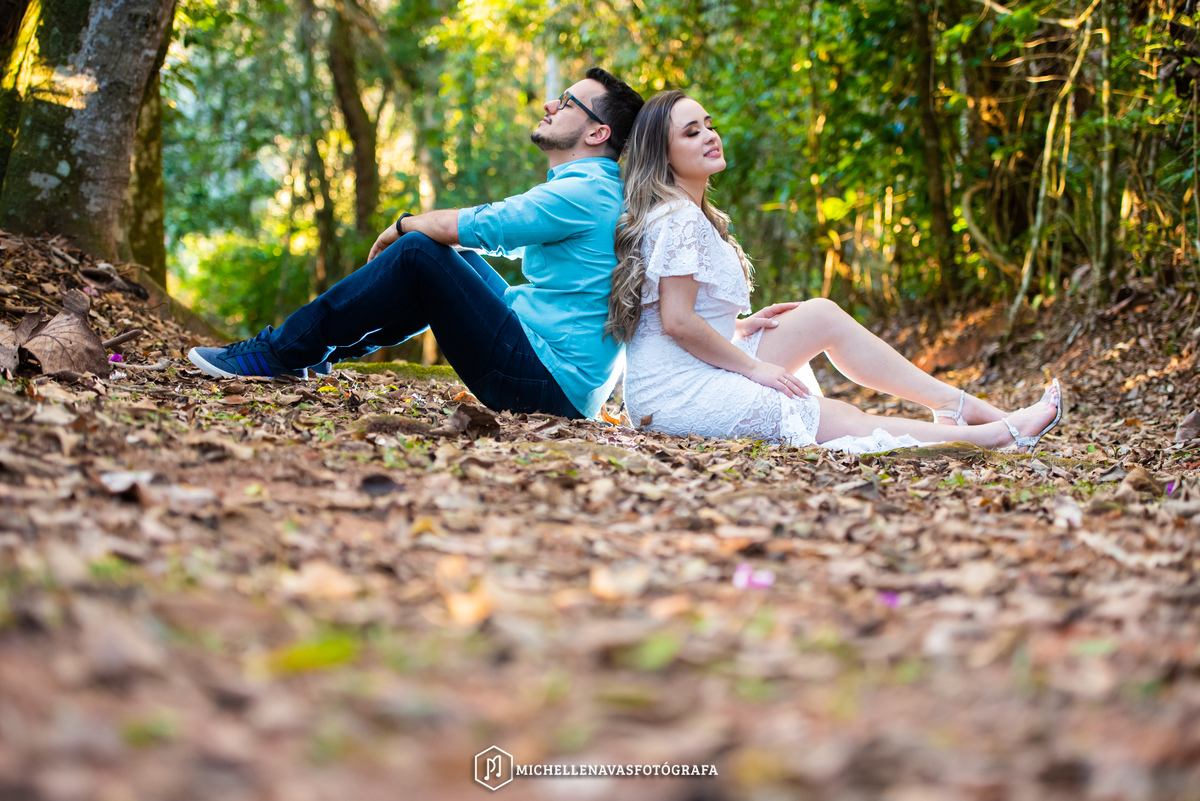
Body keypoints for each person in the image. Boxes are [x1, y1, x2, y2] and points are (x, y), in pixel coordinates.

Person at [606, 90, 1062, 454]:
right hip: (679, 392)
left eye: (709, 125)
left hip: (685, 368)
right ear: (663, 154)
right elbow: (677, 321)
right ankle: (996, 435)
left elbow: (670, 314)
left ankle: (953, 404)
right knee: (839, 417)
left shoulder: (688, 214)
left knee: (820, 314)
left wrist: (739, 326)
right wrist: (755, 368)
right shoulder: (679, 219)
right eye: (692, 133)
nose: (710, 136)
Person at [189, 68, 645, 420]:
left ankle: (281, 352)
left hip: (544, 383)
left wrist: (403, 226)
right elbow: (490, 238)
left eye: (566, 102)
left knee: (419, 251)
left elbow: (485, 224)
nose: (549, 104)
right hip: (556, 377)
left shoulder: (583, 191)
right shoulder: (597, 188)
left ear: (597, 132)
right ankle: (317, 354)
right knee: (449, 256)